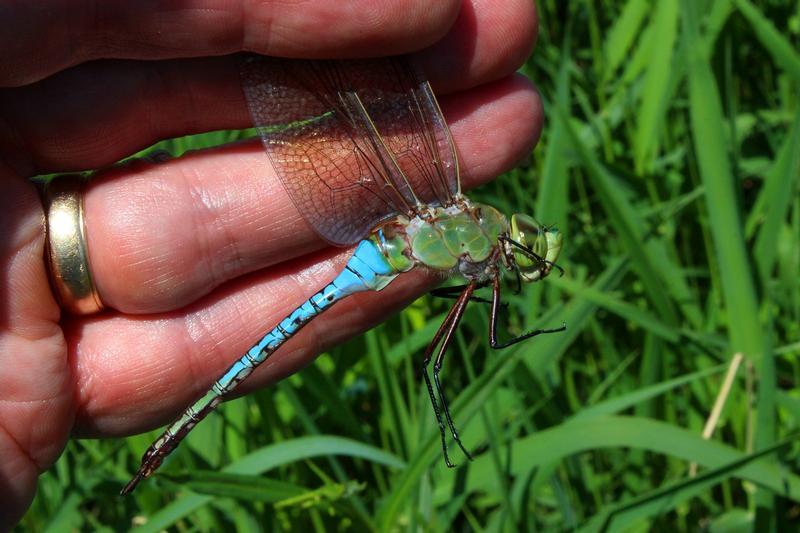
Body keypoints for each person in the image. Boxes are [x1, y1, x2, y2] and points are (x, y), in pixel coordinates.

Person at [0, 0, 543, 526]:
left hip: (387, 246)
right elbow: (482, 324)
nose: (517, 247)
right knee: (429, 358)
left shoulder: (464, 229)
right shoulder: (475, 234)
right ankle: (169, 442)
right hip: (383, 247)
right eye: (522, 239)